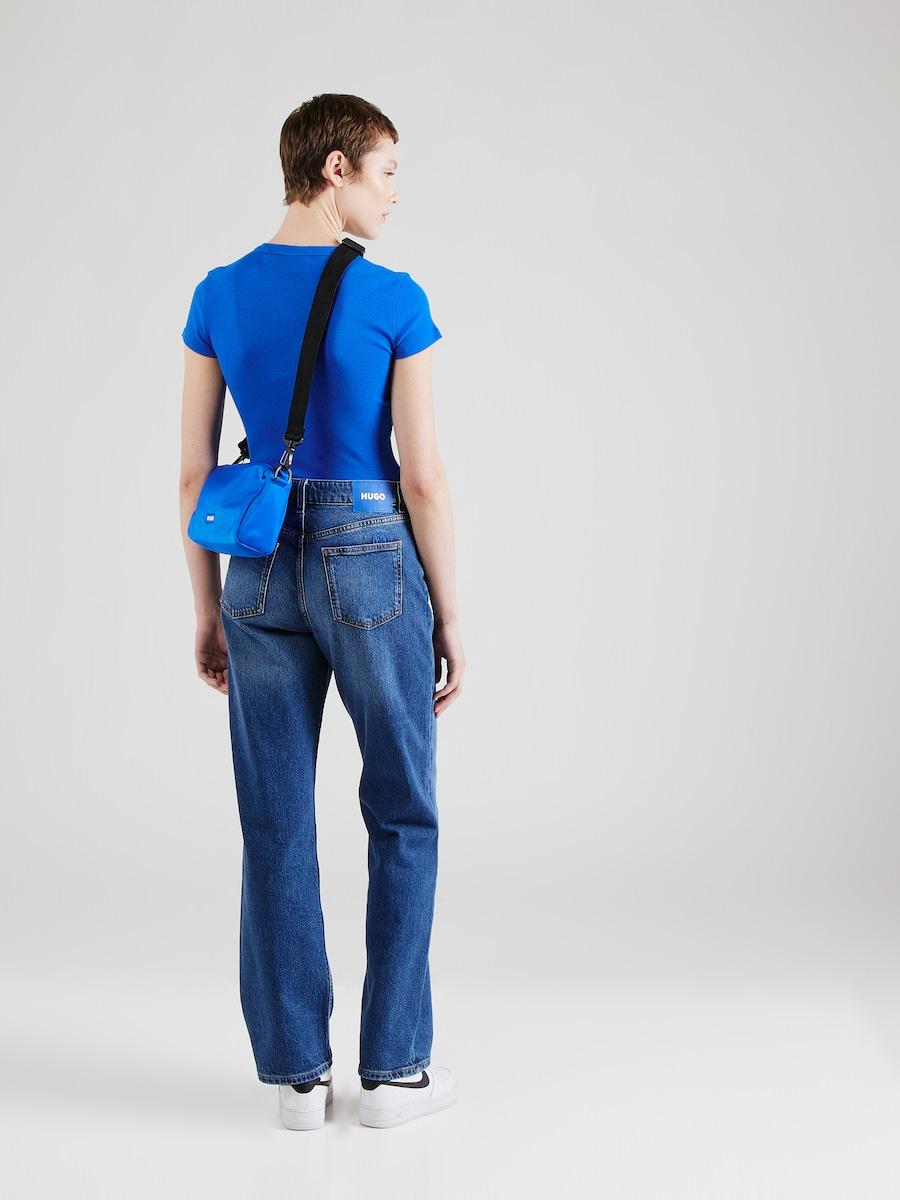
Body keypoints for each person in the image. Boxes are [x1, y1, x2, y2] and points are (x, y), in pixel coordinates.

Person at [178, 94, 465, 1130]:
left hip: (252, 563)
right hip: (369, 556)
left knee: (274, 815)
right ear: (336, 167)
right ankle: (393, 1073)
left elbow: (193, 474)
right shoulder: (394, 297)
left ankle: (297, 1078)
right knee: (402, 807)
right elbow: (422, 477)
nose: (395, 195)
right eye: (387, 172)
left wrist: (206, 609)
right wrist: (450, 614)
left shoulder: (217, 293)